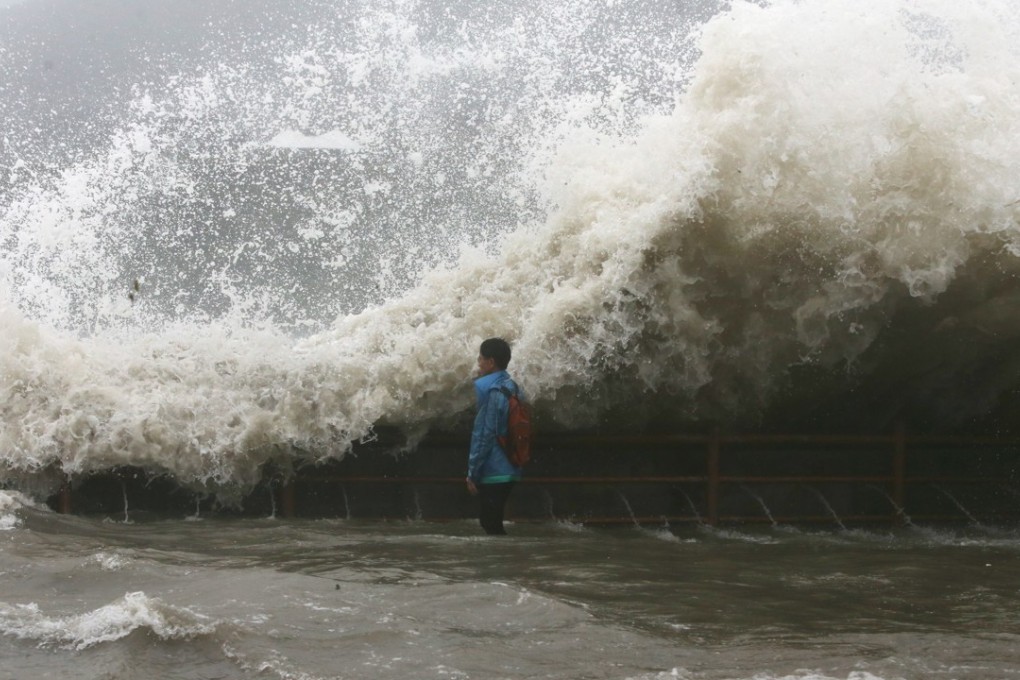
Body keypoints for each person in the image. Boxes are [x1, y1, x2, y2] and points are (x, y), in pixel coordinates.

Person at [466, 337, 522, 535]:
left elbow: (484, 435)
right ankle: (504, 560)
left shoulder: (487, 389)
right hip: (512, 465)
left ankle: (504, 563)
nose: (478, 363)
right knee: (492, 522)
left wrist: (472, 472)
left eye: (481, 359)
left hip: (494, 470)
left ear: (490, 362)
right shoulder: (512, 386)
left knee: (490, 524)